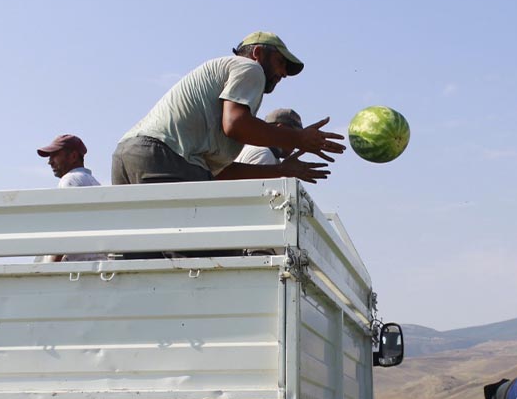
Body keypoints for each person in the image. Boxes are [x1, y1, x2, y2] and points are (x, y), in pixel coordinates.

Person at [111, 32, 345, 185]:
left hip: (128, 155)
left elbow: (220, 174)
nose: (283, 73)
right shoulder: (250, 69)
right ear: (257, 53)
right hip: (164, 156)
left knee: (142, 254)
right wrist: (299, 139)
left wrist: (282, 169)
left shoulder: (222, 95)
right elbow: (236, 125)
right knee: (202, 253)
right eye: (280, 62)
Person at [36, 134, 103, 262]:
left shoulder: (70, 180)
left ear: (73, 156)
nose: (50, 161)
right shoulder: (93, 182)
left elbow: (66, 226)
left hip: (75, 269)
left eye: (55, 155)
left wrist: (51, 265)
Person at [233, 108, 303, 166]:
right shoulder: (264, 154)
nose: (295, 143)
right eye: (294, 136)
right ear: (280, 129)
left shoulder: (260, 151)